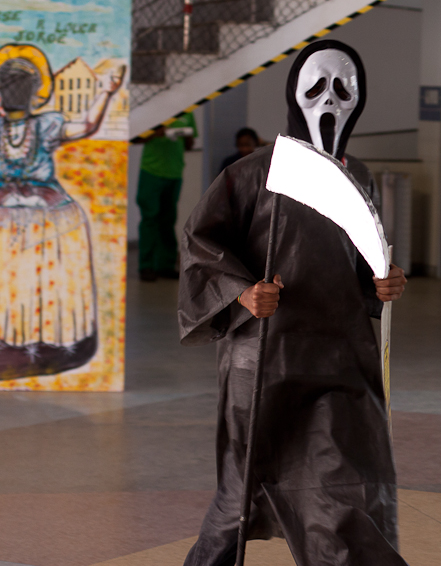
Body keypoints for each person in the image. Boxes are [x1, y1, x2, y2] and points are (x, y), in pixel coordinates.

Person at [178, 40, 409, 566]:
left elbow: (365, 263)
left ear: (358, 100)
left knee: (342, 495)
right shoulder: (252, 174)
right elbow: (200, 243)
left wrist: (385, 283)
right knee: (240, 501)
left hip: (340, 362)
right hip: (265, 362)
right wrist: (242, 291)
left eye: (343, 89)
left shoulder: (359, 177)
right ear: (294, 94)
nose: (329, 100)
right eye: (317, 87)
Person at [0, 43, 123, 378]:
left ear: (33, 93)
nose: (12, 94)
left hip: (49, 215)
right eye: (7, 86)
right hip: (8, 217)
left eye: (19, 87)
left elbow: (86, 126)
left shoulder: (47, 124)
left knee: (40, 279)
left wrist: (106, 93)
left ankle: (47, 341)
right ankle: (11, 340)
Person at [135, 111, 196, 281]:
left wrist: (186, 136)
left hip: (174, 172)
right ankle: (146, 265)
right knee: (150, 218)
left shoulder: (188, 113)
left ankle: (165, 265)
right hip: (151, 171)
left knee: (168, 219)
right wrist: (156, 133)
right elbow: (136, 139)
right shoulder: (156, 109)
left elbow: (189, 144)